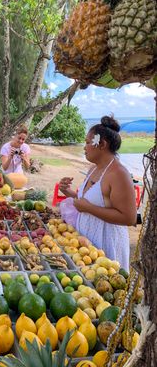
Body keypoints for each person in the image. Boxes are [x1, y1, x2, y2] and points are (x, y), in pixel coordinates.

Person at [59, 115, 136, 270]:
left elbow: (129, 217)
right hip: (87, 241)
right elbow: (93, 200)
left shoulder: (118, 174)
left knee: (104, 288)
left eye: (88, 142)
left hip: (107, 243)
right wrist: (71, 194)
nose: (84, 147)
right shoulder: (93, 168)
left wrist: (87, 208)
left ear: (102, 144)